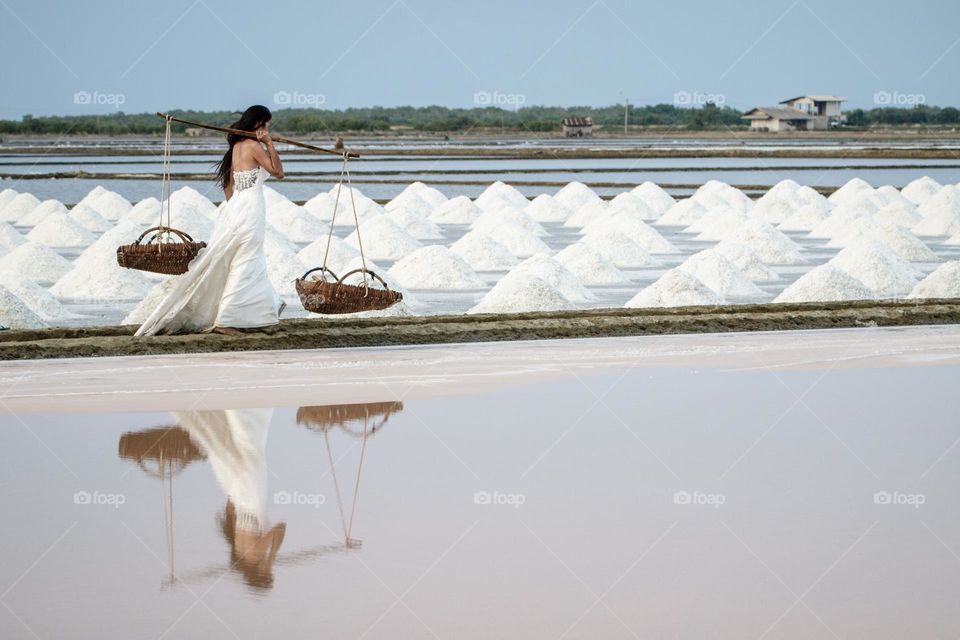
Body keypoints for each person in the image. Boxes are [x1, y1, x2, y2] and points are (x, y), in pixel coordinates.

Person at [135, 105, 285, 336]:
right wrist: (270, 143)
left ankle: (252, 315)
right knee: (246, 259)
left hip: (238, 207)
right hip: (250, 209)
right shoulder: (254, 146)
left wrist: (235, 207)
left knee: (243, 258)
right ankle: (227, 319)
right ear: (257, 124)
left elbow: (228, 188)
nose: (267, 128)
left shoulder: (236, 148)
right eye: (265, 124)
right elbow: (278, 172)